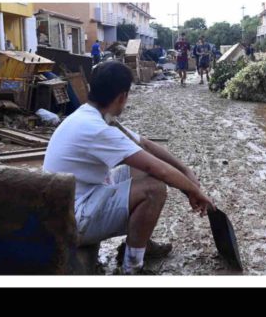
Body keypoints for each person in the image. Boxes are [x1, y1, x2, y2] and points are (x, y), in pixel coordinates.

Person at [43, 61, 215, 274]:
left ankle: (141, 242)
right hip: (70, 220)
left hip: (76, 199)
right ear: (122, 96)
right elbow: (158, 170)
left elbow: (145, 144)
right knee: (154, 189)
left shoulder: (90, 115)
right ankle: (132, 267)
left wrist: (186, 171)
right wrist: (193, 191)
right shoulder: (96, 128)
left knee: (141, 170)